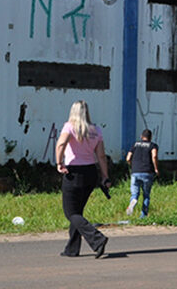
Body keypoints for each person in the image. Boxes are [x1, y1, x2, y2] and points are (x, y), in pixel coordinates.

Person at [55, 100, 109, 258]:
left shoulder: (70, 127)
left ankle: (97, 238)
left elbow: (60, 144)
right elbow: (101, 156)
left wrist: (59, 163)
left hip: (74, 172)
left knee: (70, 213)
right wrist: (105, 176)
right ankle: (72, 249)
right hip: (91, 172)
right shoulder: (96, 130)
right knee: (77, 211)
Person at [125, 129, 159, 218]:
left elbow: (128, 158)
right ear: (150, 137)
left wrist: (132, 166)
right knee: (146, 195)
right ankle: (143, 216)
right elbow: (154, 156)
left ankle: (133, 201)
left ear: (141, 136)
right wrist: (156, 169)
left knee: (135, 193)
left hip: (135, 172)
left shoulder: (135, 144)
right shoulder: (153, 145)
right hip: (147, 172)